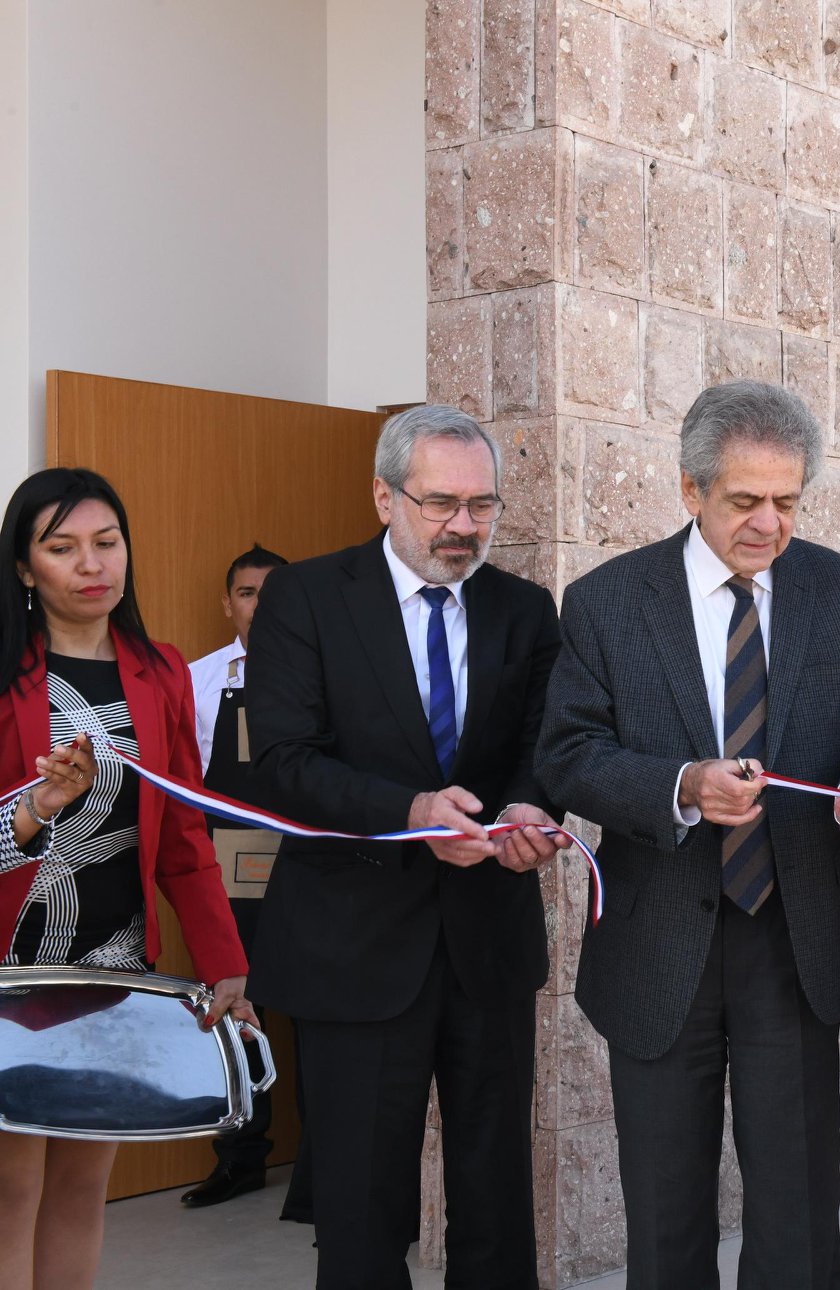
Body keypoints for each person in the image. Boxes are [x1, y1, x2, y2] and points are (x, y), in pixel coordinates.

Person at [538, 379, 840, 1290]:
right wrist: (678, 785)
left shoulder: (839, 590)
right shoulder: (608, 601)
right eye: (745, 500)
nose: (768, 524)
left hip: (792, 937)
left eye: (787, 502)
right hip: (657, 941)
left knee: (795, 1211)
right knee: (665, 1209)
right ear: (689, 489)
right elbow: (568, 755)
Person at [246, 405, 567, 1290]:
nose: (463, 526)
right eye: (440, 504)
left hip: (488, 942)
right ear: (383, 496)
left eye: (482, 505)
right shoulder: (305, 598)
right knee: (358, 1207)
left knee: (497, 1198)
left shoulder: (526, 611)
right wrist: (413, 811)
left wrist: (531, 814)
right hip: (350, 945)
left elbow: (546, 748)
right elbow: (282, 764)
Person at [0, 468, 254, 1289]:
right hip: (10, 971)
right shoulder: (6, 671)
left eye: (105, 543)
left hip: (111, 971)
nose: (90, 564)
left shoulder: (162, 670)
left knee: (82, 1187)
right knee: (10, 1187)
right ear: (23, 568)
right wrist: (38, 805)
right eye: (62, 547)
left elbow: (183, 833)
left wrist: (225, 961)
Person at [181, 543, 307, 1213]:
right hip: (227, 870)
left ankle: (319, 1171)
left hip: (309, 862)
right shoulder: (196, 681)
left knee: (316, 1015)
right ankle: (239, 1159)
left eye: (273, 592)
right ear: (228, 603)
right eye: (248, 593)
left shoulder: (325, 677)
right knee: (233, 1015)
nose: (259, 605)